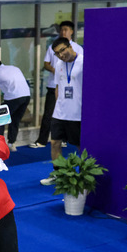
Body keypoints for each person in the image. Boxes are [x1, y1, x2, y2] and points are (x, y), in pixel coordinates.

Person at [30, 21, 84, 148]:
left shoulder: (78, 49)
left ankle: (65, 139)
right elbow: (46, 64)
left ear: (71, 31)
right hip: (54, 86)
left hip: (74, 92)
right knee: (49, 114)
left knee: (72, 119)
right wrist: (57, 72)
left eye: (66, 30)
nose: (63, 32)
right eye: (61, 30)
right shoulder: (52, 47)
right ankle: (42, 140)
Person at [40, 37, 84, 186]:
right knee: (54, 143)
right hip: (60, 112)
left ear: (70, 46)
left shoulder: (84, 62)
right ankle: (58, 174)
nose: (60, 55)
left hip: (78, 113)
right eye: (57, 53)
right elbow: (58, 86)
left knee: (80, 145)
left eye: (62, 50)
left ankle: (84, 175)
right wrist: (58, 105)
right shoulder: (59, 64)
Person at [0, 60, 31, 152]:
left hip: (13, 98)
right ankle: (12, 143)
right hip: (26, 96)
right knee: (15, 120)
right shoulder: (14, 68)